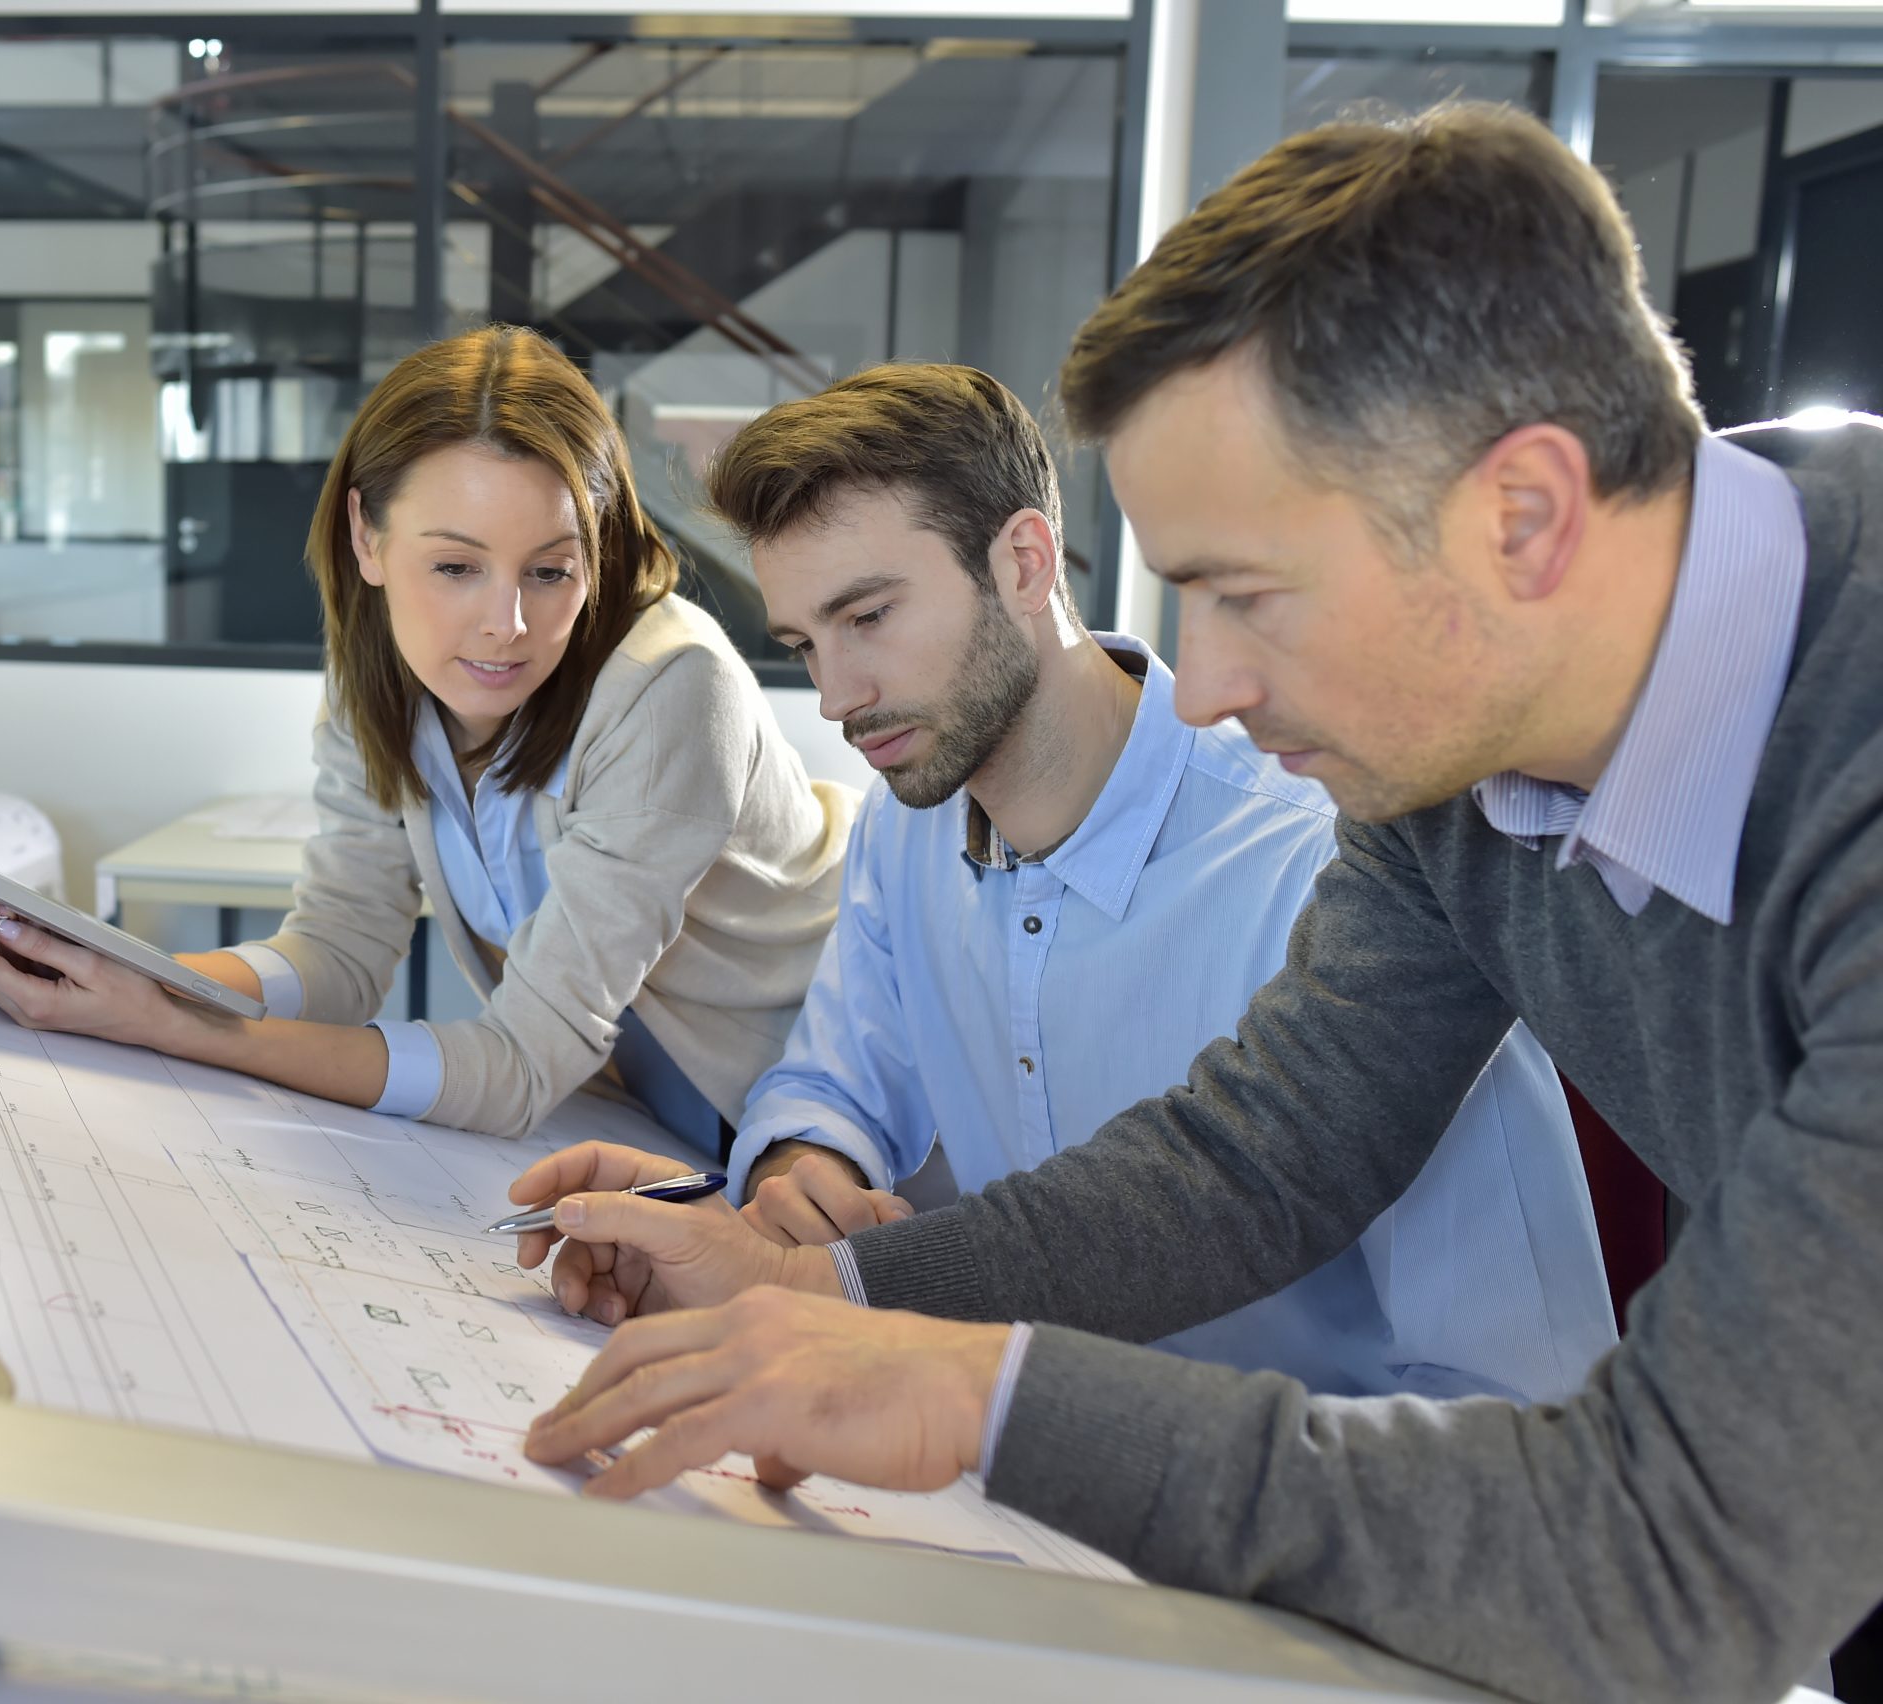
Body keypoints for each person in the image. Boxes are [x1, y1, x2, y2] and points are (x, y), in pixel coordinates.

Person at [503, 102, 1883, 1704]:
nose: (1207, 689)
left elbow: (1670, 1558)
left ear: (1523, 516)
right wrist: (824, 1293)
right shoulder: (1455, 765)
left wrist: (994, 1405)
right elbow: (1257, 1158)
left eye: (1247, 594)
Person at [690, 361, 1611, 1405]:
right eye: (806, 644)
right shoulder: (904, 834)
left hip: (1282, 1536)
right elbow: (829, 1088)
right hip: (1001, 1469)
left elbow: (1516, 1398)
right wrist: (803, 1171)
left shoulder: (1331, 877)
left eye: (868, 619)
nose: (836, 694)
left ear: (1025, 564)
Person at [0, 325, 855, 1144]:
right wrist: (123, 972)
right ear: (366, 536)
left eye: (550, 570)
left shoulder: (668, 689)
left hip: (817, 1113)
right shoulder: (381, 680)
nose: (509, 624)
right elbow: (334, 955)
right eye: (455, 565)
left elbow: (517, 1067)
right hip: (641, 1103)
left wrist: (171, 1025)